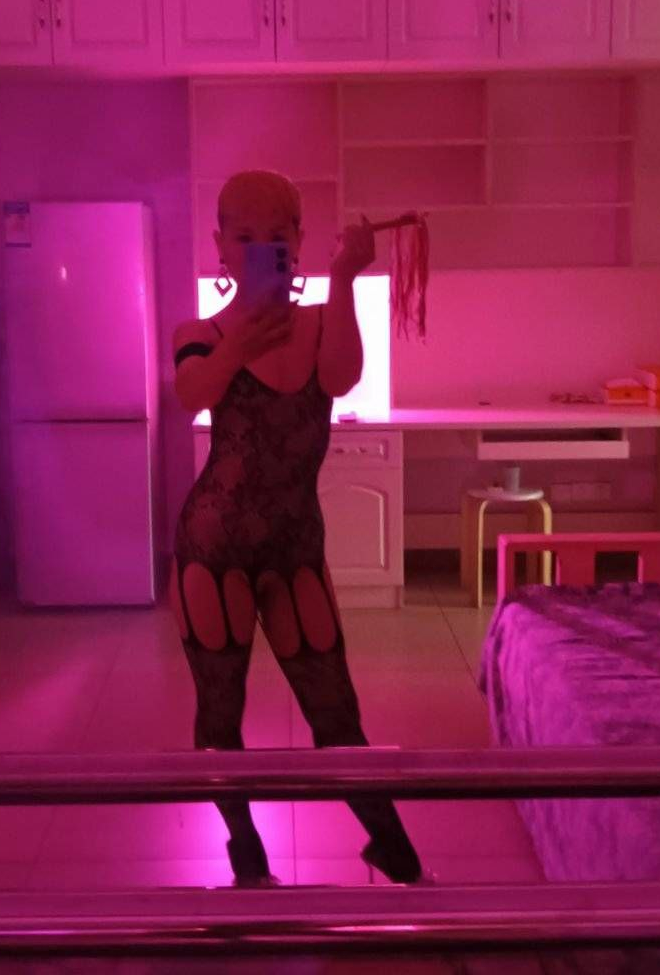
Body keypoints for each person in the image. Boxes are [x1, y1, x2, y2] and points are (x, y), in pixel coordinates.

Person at [169, 169, 424, 886]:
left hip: (294, 547)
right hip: (212, 550)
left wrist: (344, 278)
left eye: (276, 235)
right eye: (245, 236)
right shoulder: (202, 333)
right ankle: (246, 856)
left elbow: (342, 378)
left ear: (300, 241)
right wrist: (236, 346)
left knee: (336, 712)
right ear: (220, 246)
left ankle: (397, 854)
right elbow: (190, 394)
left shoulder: (317, 320)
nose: (261, 248)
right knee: (221, 715)